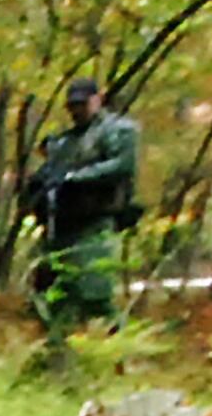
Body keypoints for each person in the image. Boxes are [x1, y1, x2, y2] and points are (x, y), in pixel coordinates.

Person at [25, 77, 142, 332]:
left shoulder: (117, 130)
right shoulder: (65, 141)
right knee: (52, 291)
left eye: (82, 104)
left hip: (95, 220)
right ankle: (57, 354)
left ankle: (120, 349)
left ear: (97, 100)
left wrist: (73, 178)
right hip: (62, 222)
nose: (76, 111)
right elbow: (49, 175)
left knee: (94, 290)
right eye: (72, 106)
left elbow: (121, 165)